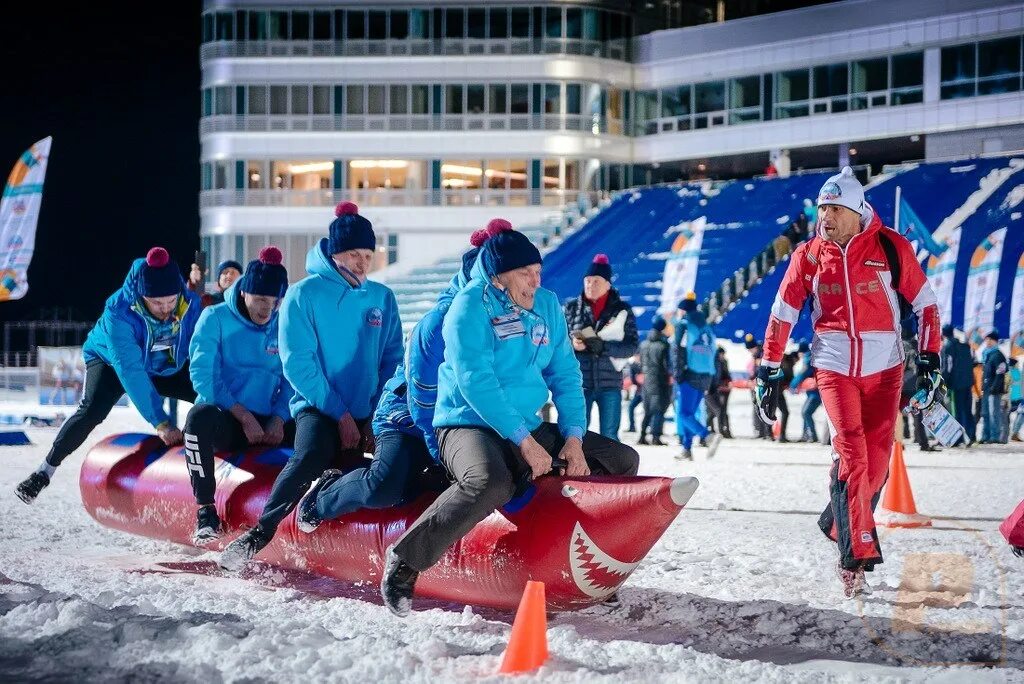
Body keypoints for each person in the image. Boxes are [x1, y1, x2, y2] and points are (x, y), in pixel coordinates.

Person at [379, 227, 639, 617]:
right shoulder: (468, 307)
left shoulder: (548, 305)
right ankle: (405, 560)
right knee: (490, 481)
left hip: (525, 422)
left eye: (538, 271)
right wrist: (524, 441)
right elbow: (475, 382)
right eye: (525, 273)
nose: (536, 281)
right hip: (464, 423)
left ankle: (587, 569)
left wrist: (572, 437)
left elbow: (566, 375)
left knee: (621, 460)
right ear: (498, 274)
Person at [754, 166, 941, 597]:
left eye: (835, 208)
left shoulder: (891, 247)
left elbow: (927, 305)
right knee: (853, 454)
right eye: (823, 209)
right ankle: (853, 557)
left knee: (876, 467)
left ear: (858, 211)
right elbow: (782, 313)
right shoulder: (808, 255)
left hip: (887, 369)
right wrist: (769, 368)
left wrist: (930, 361)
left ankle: (835, 519)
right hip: (834, 367)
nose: (827, 218)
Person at [219, 202, 403, 569]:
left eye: (368, 254)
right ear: (334, 253)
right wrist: (340, 413)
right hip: (319, 408)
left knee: (376, 477)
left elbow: (392, 361)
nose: (363, 263)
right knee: (309, 455)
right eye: (354, 254)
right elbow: (299, 364)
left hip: (368, 411)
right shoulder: (304, 296)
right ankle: (260, 534)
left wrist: (375, 415)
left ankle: (333, 508)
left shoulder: (382, 297)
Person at [294, 222, 504, 532]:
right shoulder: (441, 324)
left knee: (426, 484)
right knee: (386, 486)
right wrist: (440, 453)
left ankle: (416, 483)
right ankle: (324, 497)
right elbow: (421, 400)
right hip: (407, 419)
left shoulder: (507, 320)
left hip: (458, 425)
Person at [16, 248, 201, 504]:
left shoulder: (189, 302)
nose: (165, 309)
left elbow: (200, 348)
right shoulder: (119, 311)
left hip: (161, 364)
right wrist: (161, 422)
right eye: (157, 303)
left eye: (170, 301)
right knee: (92, 410)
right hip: (110, 362)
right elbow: (130, 370)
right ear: (141, 294)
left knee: (205, 394)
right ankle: (45, 470)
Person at [182, 246, 294, 545]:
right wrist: (242, 415)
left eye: (273, 301)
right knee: (198, 417)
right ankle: (205, 509)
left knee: (315, 419)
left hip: (269, 420)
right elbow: (203, 377)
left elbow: (292, 378)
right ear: (243, 292)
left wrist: (280, 419)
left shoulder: (283, 324)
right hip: (228, 418)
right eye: (260, 299)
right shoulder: (214, 318)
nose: (266, 309)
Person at [563, 254, 639, 439]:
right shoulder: (572, 308)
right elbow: (559, 344)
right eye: (587, 281)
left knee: (610, 436)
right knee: (576, 435)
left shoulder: (622, 309)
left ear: (607, 284)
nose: (590, 285)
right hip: (580, 383)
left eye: (596, 281)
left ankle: (610, 469)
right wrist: (573, 345)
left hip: (610, 383)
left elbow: (632, 346)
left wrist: (603, 347)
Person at [672, 293, 723, 460]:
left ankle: (707, 436)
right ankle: (687, 449)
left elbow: (678, 350)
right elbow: (714, 353)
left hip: (690, 373)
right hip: (706, 375)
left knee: (683, 414)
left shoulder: (685, 325)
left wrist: (678, 373)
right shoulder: (706, 327)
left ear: (683, 311)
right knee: (690, 413)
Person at [940, 324, 976, 445]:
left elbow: (948, 367)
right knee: (967, 410)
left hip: (956, 384)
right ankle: (972, 435)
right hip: (968, 382)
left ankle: (957, 437)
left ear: (944, 334)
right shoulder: (965, 346)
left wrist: (944, 381)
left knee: (957, 411)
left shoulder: (948, 347)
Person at [638, 315, 671, 446]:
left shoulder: (643, 344)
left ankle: (642, 435)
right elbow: (667, 365)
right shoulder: (663, 345)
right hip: (659, 380)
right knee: (659, 409)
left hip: (646, 380)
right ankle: (656, 437)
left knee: (647, 409)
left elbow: (641, 362)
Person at [979, 331, 1008, 444]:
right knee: (985, 413)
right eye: (986, 340)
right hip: (986, 389)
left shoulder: (998, 355)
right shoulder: (987, 354)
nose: (987, 342)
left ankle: (994, 436)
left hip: (993, 390)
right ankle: (985, 435)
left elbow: (1000, 372)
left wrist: (994, 387)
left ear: (994, 341)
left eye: (989, 340)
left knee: (993, 413)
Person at [790, 343, 820, 442]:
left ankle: (812, 435)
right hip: (812, 392)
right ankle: (806, 435)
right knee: (805, 412)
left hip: (815, 393)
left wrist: (793, 385)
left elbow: (802, 374)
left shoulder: (808, 359)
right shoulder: (811, 358)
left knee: (806, 412)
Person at [745, 334, 772, 439]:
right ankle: (759, 430)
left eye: (750, 349)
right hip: (756, 385)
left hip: (763, 385)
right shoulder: (756, 356)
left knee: (764, 407)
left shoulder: (762, 355)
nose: (750, 351)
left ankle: (765, 431)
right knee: (757, 407)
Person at [708, 346, 733, 438]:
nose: (722, 356)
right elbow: (711, 376)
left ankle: (723, 430)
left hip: (721, 389)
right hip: (711, 390)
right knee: (716, 410)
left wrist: (727, 381)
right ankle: (714, 429)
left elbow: (726, 374)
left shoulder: (723, 362)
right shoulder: (713, 362)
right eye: (721, 354)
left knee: (720, 410)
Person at [624, 354, 643, 433]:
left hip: (644, 391)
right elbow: (633, 379)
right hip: (640, 391)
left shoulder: (644, 364)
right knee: (631, 407)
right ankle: (632, 426)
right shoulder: (633, 366)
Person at [1009, 358, 1023, 442]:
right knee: (1021, 414)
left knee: (1005, 416)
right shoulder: (1017, 372)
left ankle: (1006, 433)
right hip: (1018, 397)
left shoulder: (1008, 372)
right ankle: (1015, 432)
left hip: (1010, 397)